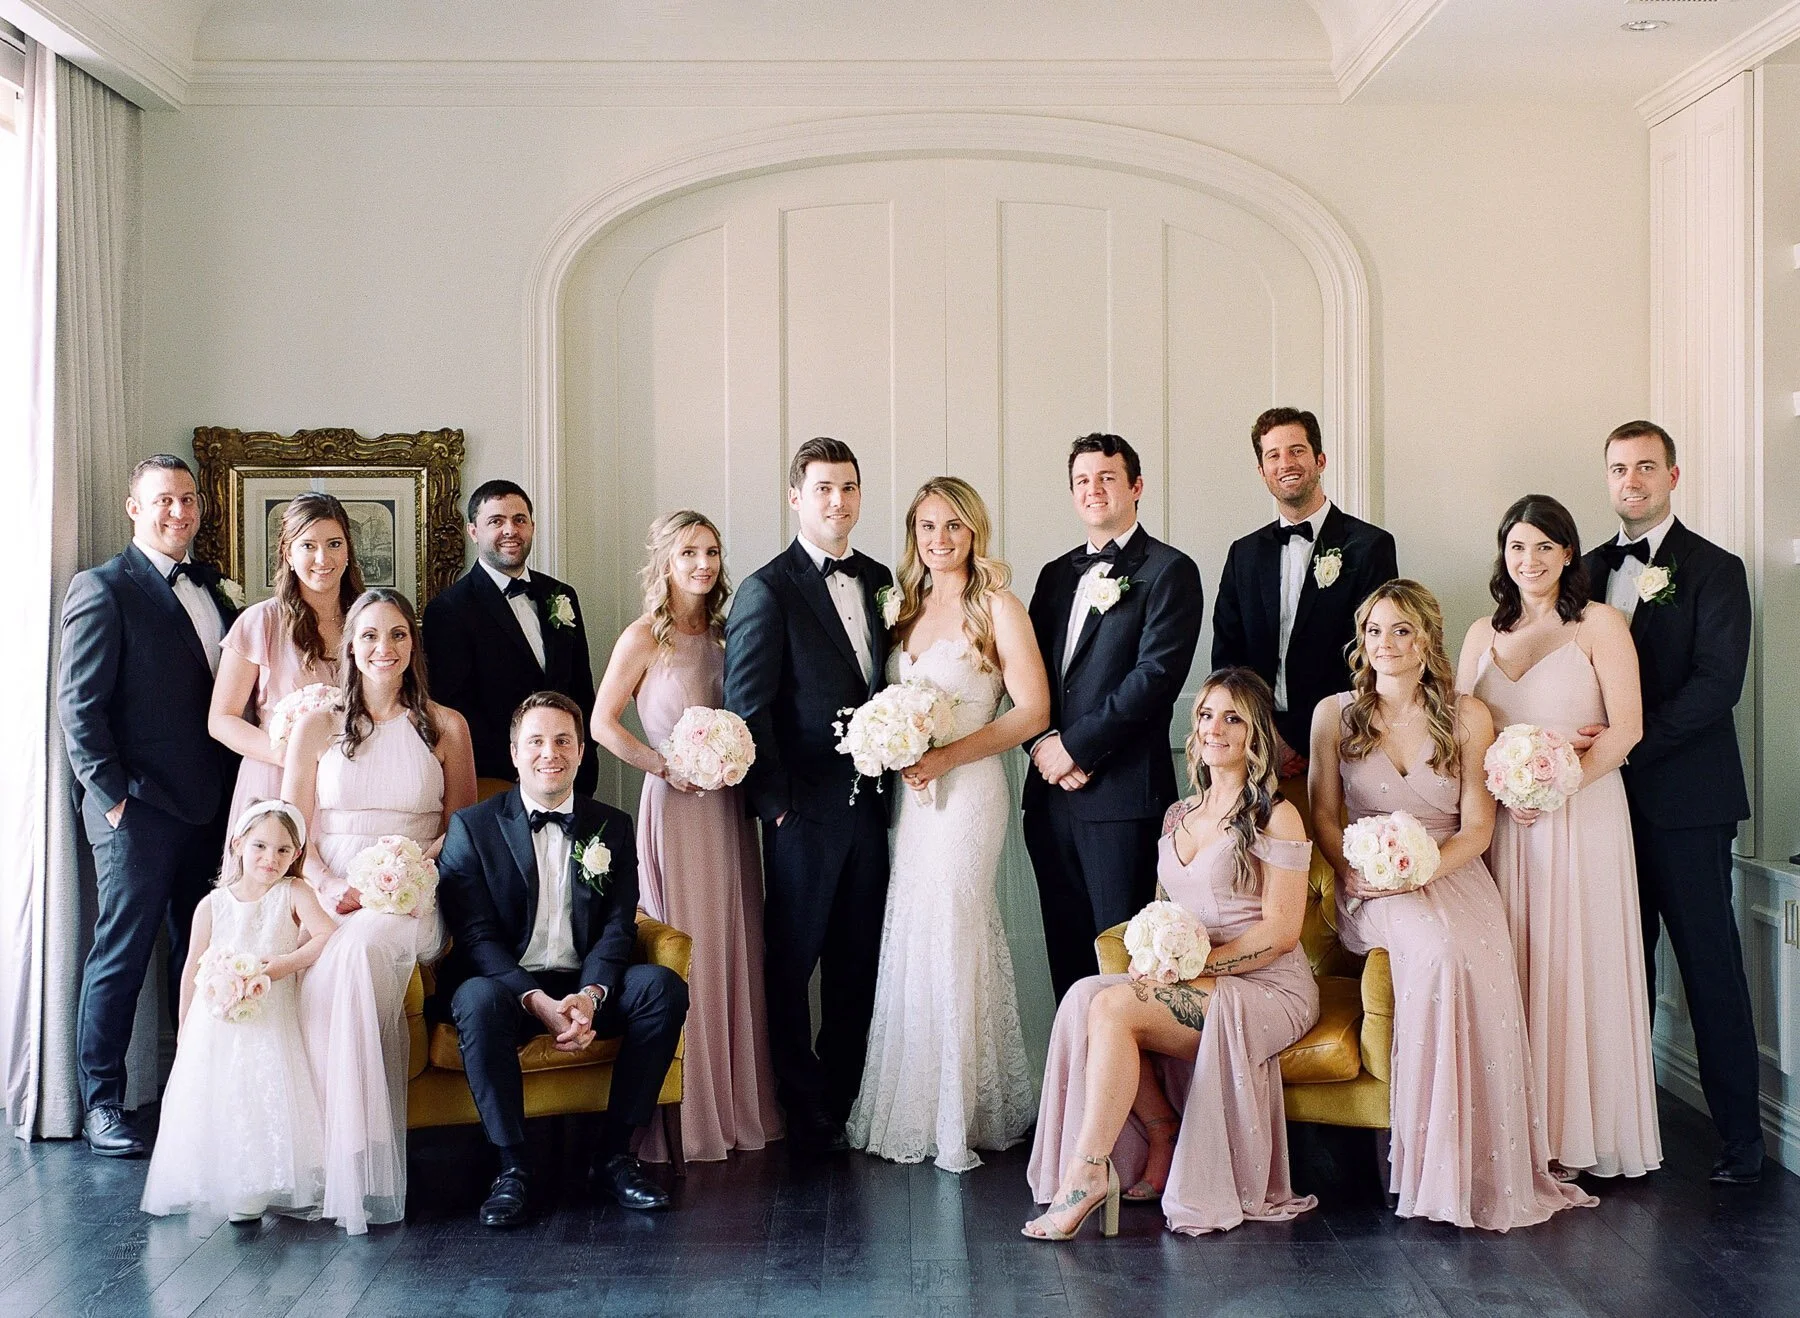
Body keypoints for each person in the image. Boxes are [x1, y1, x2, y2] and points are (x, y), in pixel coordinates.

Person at [1309, 580, 1593, 1230]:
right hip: (1371, 883)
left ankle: (1477, 1165)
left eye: (1402, 630)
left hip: (1453, 871)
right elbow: (1326, 816)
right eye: (1376, 630)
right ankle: (1426, 1165)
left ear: (1427, 640)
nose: (1387, 644)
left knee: (1472, 950)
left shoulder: (1467, 716)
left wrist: (1425, 867)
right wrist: (1361, 870)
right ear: (1363, 639)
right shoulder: (1336, 714)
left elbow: (1477, 830)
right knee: (1435, 953)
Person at [1026, 668, 1317, 1238]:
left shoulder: (1273, 814)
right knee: (1086, 995)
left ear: (1256, 734)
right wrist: (1151, 949)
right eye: (1207, 715)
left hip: (1266, 987)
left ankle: (1087, 1176)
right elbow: (1168, 910)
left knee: (1114, 1008)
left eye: (1233, 717)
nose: (1216, 728)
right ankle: (1160, 1132)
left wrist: (1192, 963)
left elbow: (1282, 933)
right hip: (1191, 977)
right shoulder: (1179, 814)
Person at [846, 477, 1049, 1171]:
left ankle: (960, 1115)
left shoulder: (997, 607)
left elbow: (1032, 712)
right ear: (914, 535)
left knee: (958, 928)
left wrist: (945, 756)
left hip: (970, 792)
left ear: (974, 532)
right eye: (927, 527)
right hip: (918, 798)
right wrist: (895, 747)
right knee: (915, 928)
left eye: (953, 527)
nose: (940, 539)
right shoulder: (902, 609)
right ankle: (918, 1105)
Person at [1458, 494, 1661, 1180]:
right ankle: (1516, 1133)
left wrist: (1550, 784)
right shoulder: (1481, 632)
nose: (1531, 559)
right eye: (1518, 547)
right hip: (1503, 832)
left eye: (1545, 546)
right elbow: (1459, 733)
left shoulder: (1602, 624)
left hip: (1581, 819)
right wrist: (1501, 791)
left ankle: (1576, 1135)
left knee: (1575, 968)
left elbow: (1627, 729)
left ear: (1568, 553)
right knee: (1513, 966)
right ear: (1503, 555)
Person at [1582, 421, 1764, 1184]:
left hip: (1687, 803)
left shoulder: (1717, 569)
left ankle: (1743, 1145)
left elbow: (1718, 686)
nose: (1632, 481)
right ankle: (1616, 1137)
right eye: (1620, 469)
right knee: (1613, 973)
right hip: (1597, 809)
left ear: (1673, 476)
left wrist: (1625, 742)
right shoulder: (1583, 571)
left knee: (1709, 969)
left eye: (1646, 467)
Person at [437, 692, 689, 1226]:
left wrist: (591, 996)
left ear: (579, 753)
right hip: (508, 984)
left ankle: (616, 1156)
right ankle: (513, 1168)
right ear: (513, 752)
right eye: (535, 741)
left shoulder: (613, 827)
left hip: (585, 982)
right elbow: (476, 935)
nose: (548, 752)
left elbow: (621, 925)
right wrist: (534, 999)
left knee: (663, 987)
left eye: (562, 741)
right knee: (475, 1000)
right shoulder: (472, 827)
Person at [57, 454, 240, 1157]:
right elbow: (80, 712)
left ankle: (190, 1094)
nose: (179, 513)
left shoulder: (215, 591)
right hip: (137, 811)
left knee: (200, 955)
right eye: (164, 500)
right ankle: (102, 1101)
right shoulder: (103, 588)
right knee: (123, 954)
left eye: (188, 500)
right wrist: (112, 805)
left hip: (211, 809)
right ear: (134, 507)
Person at [283, 588, 476, 1234]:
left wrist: (406, 874)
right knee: (329, 948)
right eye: (369, 636)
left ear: (411, 645)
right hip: (331, 888)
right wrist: (326, 881)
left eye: (396, 635)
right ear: (350, 646)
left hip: (410, 895)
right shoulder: (318, 726)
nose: (383, 648)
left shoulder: (445, 727)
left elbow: (464, 828)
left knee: (362, 947)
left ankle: (361, 1152)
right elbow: (293, 833)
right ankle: (322, 1153)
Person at [591, 510, 781, 1163]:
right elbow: (601, 724)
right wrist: (663, 764)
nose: (703, 564)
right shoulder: (645, 637)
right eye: (689, 553)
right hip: (673, 807)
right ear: (665, 562)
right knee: (686, 944)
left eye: (712, 552)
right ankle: (679, 1117)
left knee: (731, 945)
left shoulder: (731, 636)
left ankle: (732, 1106)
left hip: (727, 810)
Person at [724, 436, 894, 1153]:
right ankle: (803, 1101)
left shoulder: (884, 577)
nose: (838, 501)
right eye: (823, 488)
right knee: (792, 963)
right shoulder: (768, 588)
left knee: (860, 959)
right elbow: (748, 705)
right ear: (797, 497)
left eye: (849, 487)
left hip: (876, 806)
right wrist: (777, 805)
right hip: (802, 810)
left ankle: (848, 1090)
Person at [1023, 433, 1205, 1002]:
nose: (1094, 489)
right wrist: (1040, 746)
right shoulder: (1054, 575)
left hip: (1122, 799)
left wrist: (1073, 748)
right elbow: (1022, 675)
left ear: (1136, 487)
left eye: (1107, 477)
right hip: (1050, 798)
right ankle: (1080, 1087)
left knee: (1125, 964)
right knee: (1066, 958)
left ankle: (1129, 1092)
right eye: (1082, 480)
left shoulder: (1170, 571)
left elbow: (1153, 680)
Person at [140, 800, 337, 1224]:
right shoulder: (213, 905)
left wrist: (280, 967)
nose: (271, 858)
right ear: (238, 845)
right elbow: (192, 966)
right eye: (261, 846)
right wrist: (186, 1025)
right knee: (222, 1095)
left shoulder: (294, 893)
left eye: (284, 850)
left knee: (263, 1092)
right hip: (218, 1024)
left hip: (272, 1020)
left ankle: (261, 1183)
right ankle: (227, 1179)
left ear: (297, 855)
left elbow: (326, 934)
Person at [1212, 408, 1398, 780]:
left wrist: (1300, 738)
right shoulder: (1243, 554)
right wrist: (1263, 737)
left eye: (1296, 451)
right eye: (1273, 455)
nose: (1286, 464)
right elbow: (1227, 657)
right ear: (1261, 471)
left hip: (1341, 746)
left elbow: (1372, 655)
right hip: (1255, 750)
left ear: (1320, 459)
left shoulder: (1369, 546)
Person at [422, 479, 600, 796]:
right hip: (496, 782)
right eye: (496, 521)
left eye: (519, 520)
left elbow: (581, 690)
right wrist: (523, 765)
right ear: (473, 532)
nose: (510, 530)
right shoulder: (448, 610)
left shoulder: (561, 595)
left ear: (531, 526)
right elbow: (454, 710)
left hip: (571, 778)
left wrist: (581, 760)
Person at [209, 493, 365, 829]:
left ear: (348, 551)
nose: (323, 558)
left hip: (353, 780)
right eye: (308, 545)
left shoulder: (367, 620)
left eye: (334, 544)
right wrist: (290, 755)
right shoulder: (260, 622)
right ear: (288, 554)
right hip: (274, 778)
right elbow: (221, 719)